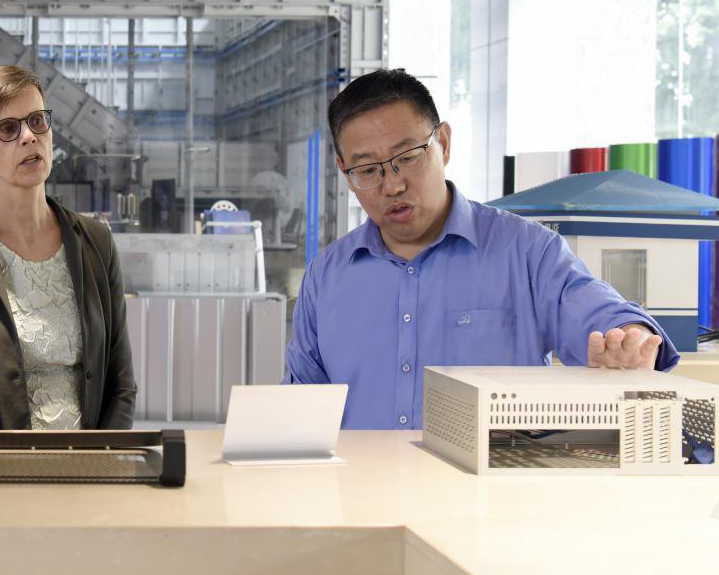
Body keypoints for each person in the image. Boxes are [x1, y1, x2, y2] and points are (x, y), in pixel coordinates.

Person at [285, 68, 678, 429]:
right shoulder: (327, 275)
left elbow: (600, 313)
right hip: (359, 484)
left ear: (443, 143)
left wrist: (631, 338)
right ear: (345, 173)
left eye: (408, 157)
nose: (393, 185)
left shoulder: (527, 251)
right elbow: (300, 409)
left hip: (491, 483)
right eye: (368, 170)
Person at [0, 65, 136, 429]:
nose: (29, 137)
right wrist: (24, 464)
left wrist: (99, 456)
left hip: (93, 459)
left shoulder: (96, 243)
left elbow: (121, 386)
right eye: (9, 128)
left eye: (38, 121)